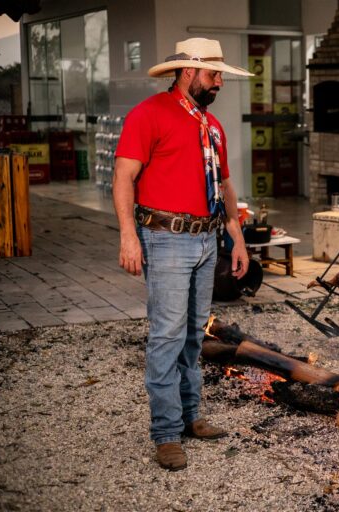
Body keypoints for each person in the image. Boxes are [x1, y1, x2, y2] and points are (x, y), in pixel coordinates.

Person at [113, 38, 252, 471]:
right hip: (166, 239)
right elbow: (123, 176)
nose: (221, 83)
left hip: (207, 239)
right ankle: (167, 433)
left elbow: (224, 186)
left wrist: (237, 238)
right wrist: (127, 236)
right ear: (188, 72)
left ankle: (191, 417)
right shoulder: (149, 114)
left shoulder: (212, 127)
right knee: (167, 337)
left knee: (194, 335)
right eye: (215, 75)